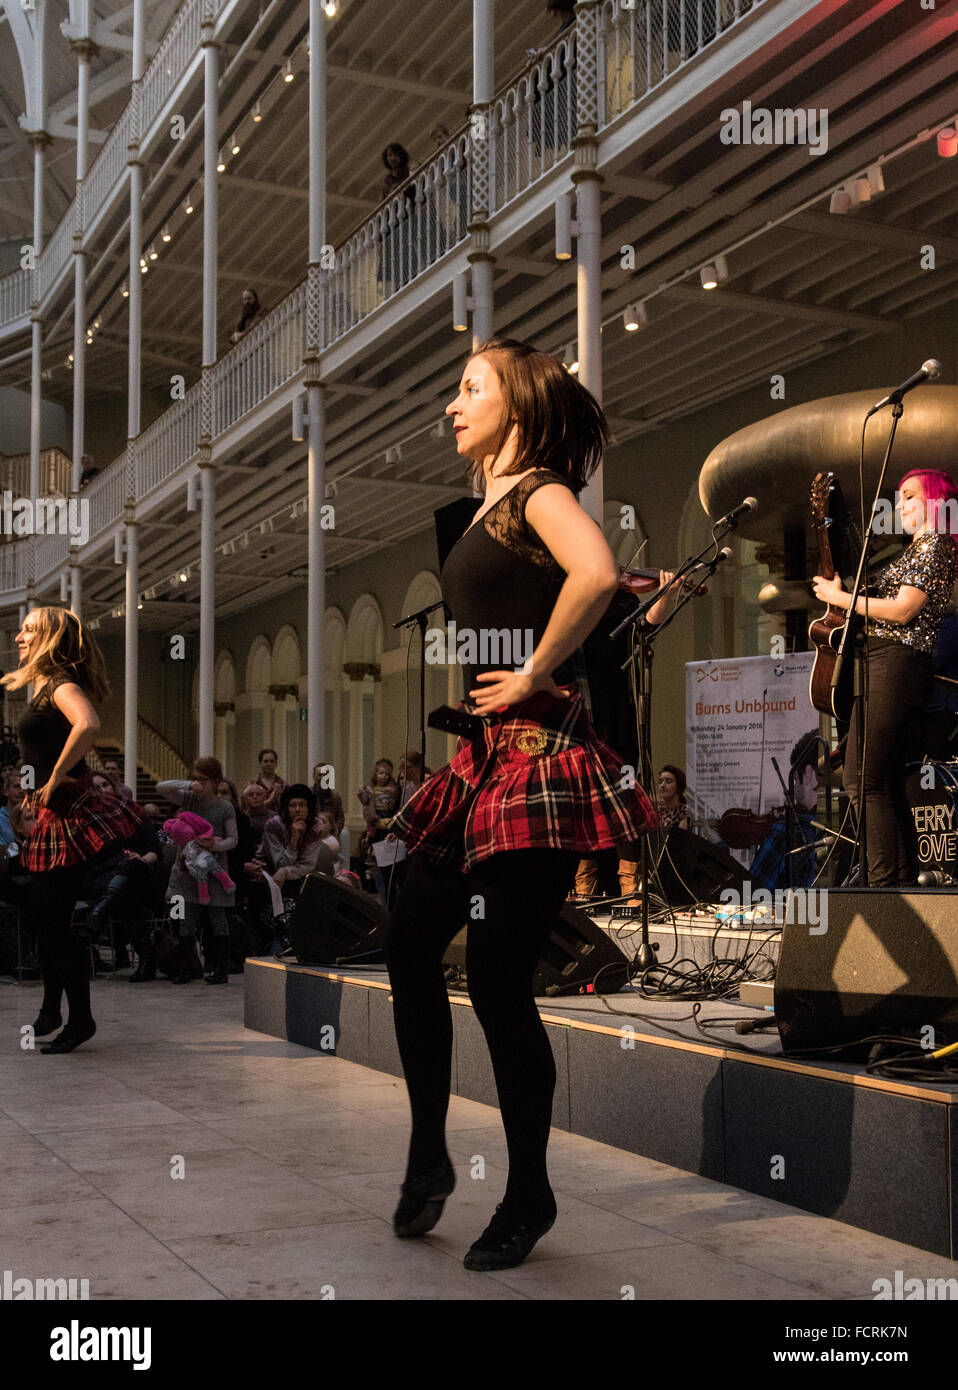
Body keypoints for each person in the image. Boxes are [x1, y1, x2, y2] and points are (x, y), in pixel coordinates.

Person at [384, 338, 661, 1272]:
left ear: (521, 403)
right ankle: (428, 1152)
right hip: (484, 763)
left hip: (541, 764)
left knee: (501, 985)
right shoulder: (482, 510)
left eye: (471, 388)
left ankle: (529, 1190)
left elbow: (598, 572)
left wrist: (537, 670)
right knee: (408, 938)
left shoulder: (539, 490)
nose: (453, 404)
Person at [2, 606, 143, 1051]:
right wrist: (33, 788)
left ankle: (78, 1018)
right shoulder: (42, 684)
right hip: (51, 813)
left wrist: (57, 775)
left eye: (28, 630)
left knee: (52, 921)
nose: (20, 637)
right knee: (46, 919)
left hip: (71, 813)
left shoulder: (61, 684)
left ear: (48, 637)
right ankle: (51, 1010)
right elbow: (38, 749)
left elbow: (89, 724)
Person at [813, 469, 958, 885]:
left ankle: (883, 885)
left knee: (862, 778)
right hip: (884, 661)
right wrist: (849, 593)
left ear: (936, 501)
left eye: (910, 496)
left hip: (897, 661)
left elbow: (902, 610)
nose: (900, 506)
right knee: (880, 778)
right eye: (899, 498)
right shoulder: (916, 550)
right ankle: (895, 881)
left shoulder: (937, 545)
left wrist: (842, 598)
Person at [157, 757, 237, 985]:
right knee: (187, 919)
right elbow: (161, 788)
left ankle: (221, 968)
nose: (199, 783)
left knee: (217, 918)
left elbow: (233, 839)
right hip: (187, 869)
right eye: (196, 778)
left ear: (216, 781)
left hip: (214, 868)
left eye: (204, 779)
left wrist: (214, 844)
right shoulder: (188, 799)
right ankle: (186, 966)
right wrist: (187, 784)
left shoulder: (225, 807)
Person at [749, 730, 821, 892]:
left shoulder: (785, 832)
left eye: (795, 779)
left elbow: (752, 893)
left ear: (808, 774)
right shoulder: (845, 824)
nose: (794, 788)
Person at [311, 763, 345, 836]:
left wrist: (334, 832)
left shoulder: (335, 797)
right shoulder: (307, 794)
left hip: (330, 838)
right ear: (314, 776)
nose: (323, 778)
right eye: (319, 775)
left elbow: (340, 819)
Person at [250, 748, 287, 814]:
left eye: (272, 761)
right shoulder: (253, 784)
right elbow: (249, 809)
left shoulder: (283, 785)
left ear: (276, 764)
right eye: (266, 761)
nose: (269, 764)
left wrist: (279, 798)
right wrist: (270, 800)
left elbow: (287, 809)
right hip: (258, 821)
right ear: (260, 763)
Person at [656, 765, 690, 829]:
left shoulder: (685, 812)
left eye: (668, 781)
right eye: (660, 781)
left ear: (679, 786)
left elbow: (682, 837)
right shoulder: (657, 812)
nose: (662, 785)